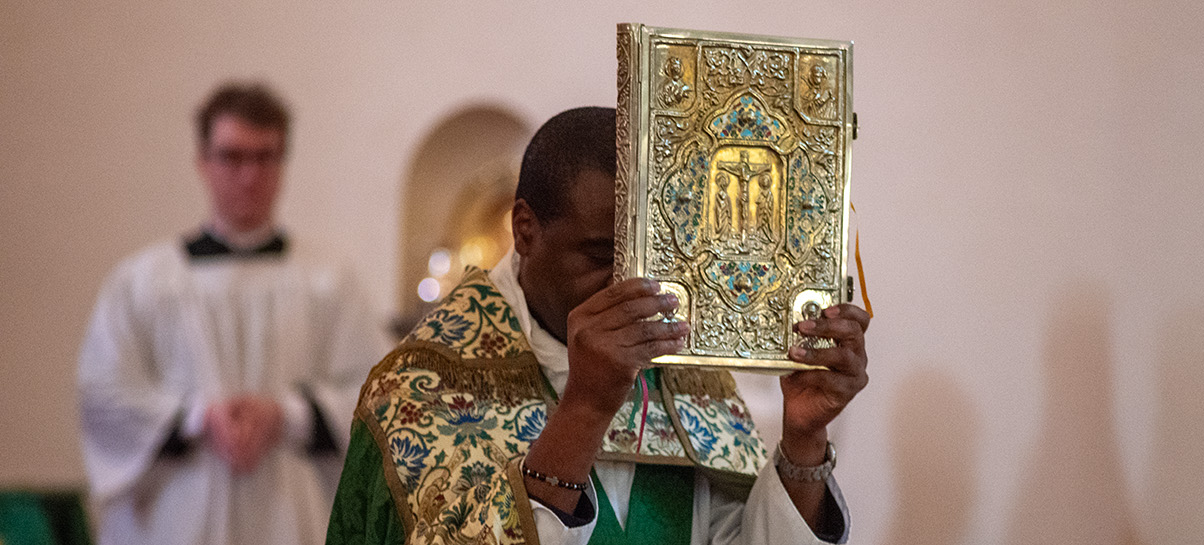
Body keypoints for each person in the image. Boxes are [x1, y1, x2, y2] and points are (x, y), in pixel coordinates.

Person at [326, 107, 870, 545]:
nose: (626, 286)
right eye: (601, 254)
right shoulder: (421, 388)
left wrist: (803, 438)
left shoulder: (686, 377)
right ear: (525, 230)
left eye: (647, 259)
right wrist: (586, 405)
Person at [78, 82, 389, 545]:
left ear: (283, 164)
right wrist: (196, 417)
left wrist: (288, 414)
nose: (249, 175)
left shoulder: (330, 280)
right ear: (203, 161)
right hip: (175, 521)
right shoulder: (144, 281)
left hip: (294, 516)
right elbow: (102, 396)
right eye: (232, 156)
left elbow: (381, 398)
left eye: (265, 157)